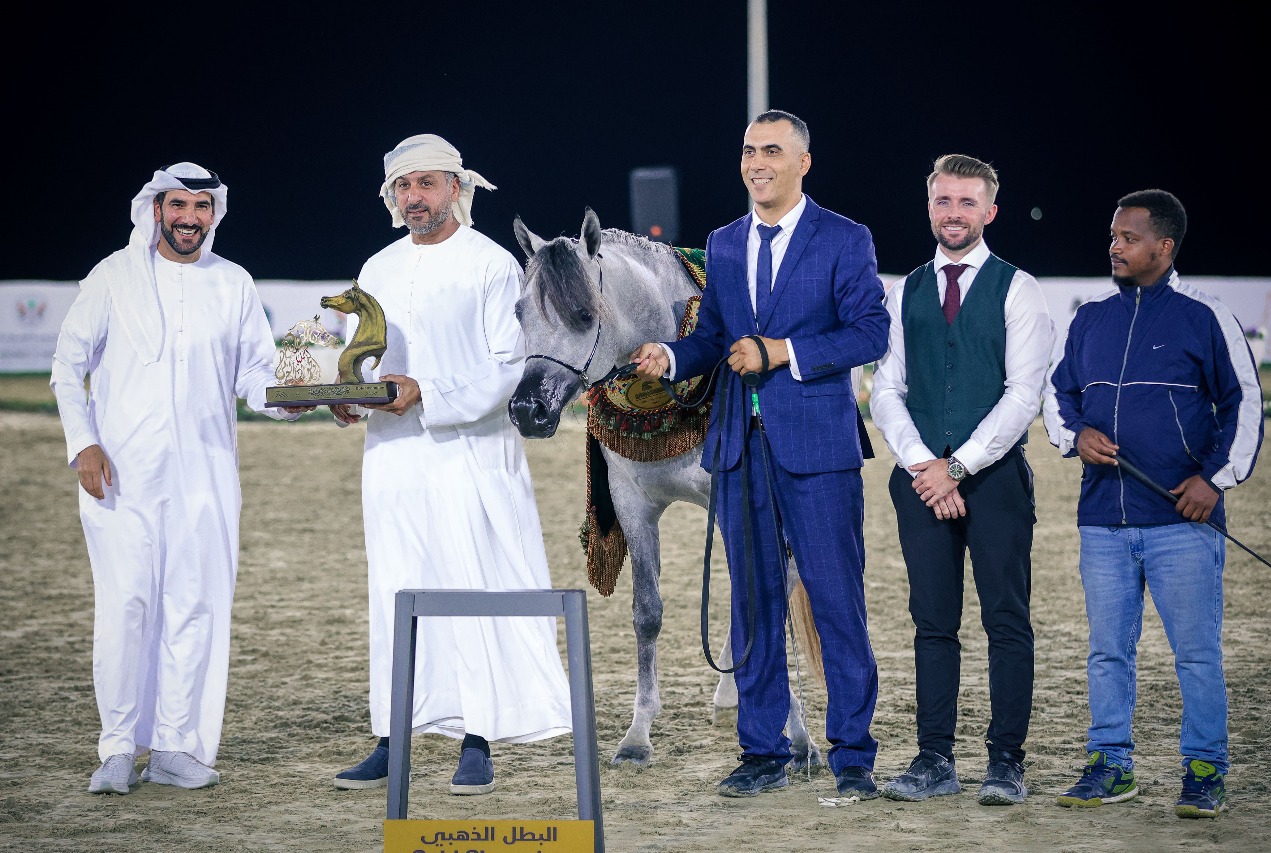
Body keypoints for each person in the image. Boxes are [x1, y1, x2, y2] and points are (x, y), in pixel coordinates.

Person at [631, 110, 889, 800]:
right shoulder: (723, 242)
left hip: (820, 452)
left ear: (804, 162)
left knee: (835, 600)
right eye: (748, 151)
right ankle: (761, 749)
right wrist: (671, 356)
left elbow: (870, 330)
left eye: (771, 151)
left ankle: (854, 754)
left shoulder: (845, 238)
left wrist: (782, 353)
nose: (756, 162)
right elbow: (713, 335)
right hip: (739, 449)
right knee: (753, 604)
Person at [51, 162, 308, 795]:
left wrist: (294, 398)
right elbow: (66, 365)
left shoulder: (234, 283)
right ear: (155, 209)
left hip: (207, 476)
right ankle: (116, 749)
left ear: (214, 214)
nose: (189, 218)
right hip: (120, 479)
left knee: (195, 609)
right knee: (126, 608)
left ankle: (175, 747)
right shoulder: (114, 275)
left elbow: (253, 379)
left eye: (201, 207)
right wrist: (83, 443)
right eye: (177, 206)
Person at [330, 134, 572, 794]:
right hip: (391, 460)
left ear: (457, 190)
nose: (414, 197)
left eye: (427, 184)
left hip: (468, 456)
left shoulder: (492, 265)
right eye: (403, 187)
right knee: (394, 591)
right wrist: (347, 399)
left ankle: (479, 737)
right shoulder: (375, 267)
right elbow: (365, 360)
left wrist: (427, 394)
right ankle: (391, 733)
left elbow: (507, 370)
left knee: (470, 592)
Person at [1044, 189, 1264, 819]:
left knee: (1196, 652)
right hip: (1103, 523)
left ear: (1164, 247)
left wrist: (1214, 480)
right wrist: (1076, 437)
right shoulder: (1090, 319)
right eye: (1113, 236)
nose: (1115, 246)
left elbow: (1243, 403)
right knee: (1107, 650)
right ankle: (1111, 764)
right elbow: (1058, 398)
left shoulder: (1205, 316)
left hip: (1181, 523)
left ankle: (1203, 769)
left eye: (1129, 237)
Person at [869, 153, 1053, 806]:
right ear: (930, 206)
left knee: (1007, 620)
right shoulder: (905, 289)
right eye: (944, 201)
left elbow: (1022, 393)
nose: (954, 213)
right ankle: (934, 758)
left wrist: (959, 465)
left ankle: (1006, 761)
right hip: (922, 482)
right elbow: (885, 388)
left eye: (967, 202)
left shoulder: (1020, 289)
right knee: (932, 622)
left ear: (990, 211)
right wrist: (925, 463)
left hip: (995, 480)